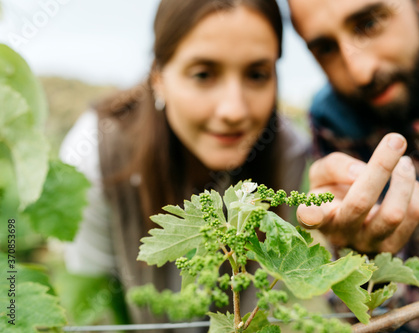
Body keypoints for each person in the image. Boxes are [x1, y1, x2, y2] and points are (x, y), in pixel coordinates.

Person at [59, 0, 307, 330]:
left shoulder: (289, 151)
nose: (234, 110)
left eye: (257, 74)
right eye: (203, 74)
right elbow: (93, 307)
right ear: (158, 78)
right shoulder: (93, 156)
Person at [288, 0, 419, 331]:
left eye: (368, 24)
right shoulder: (335, 120)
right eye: (326, 48)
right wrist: (358, 257)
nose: (360, 72)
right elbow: (370, 312)